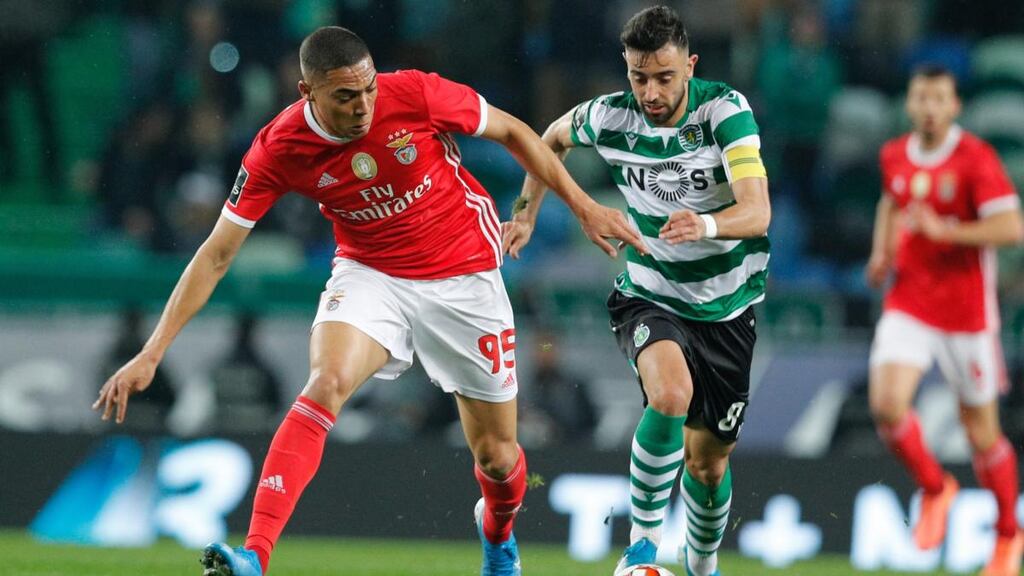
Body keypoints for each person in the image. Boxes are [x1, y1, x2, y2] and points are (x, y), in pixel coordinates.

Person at [92, 26, 644, 576]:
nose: (363, 106)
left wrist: (579, 207)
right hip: (370, 272)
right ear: (307, 92)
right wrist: (153, 350)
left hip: (464, 274)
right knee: (325, 383)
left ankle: (498, 535)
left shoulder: (413, 93)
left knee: (498, 459)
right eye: (345, 96)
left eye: (368, 90)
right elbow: (215, 255)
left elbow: (514, 131)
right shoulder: (277, 148)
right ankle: (255, 556)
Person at [504, 6, 770, 575]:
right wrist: (525, 213)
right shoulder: (610, 116)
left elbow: (758, 210)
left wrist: (706, 224)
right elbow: (547, 139)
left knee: (708, 467)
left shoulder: (726, 111)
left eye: (664, 77)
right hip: (650, 291)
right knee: (669, 394)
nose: (650, 91)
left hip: (728, 307)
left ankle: (702, 563)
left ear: (690, 66)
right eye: (638, 77)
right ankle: (642, 549)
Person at [865, 65, 1024, 576]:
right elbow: (891, 201)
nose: (929, 107)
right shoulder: (894, 154)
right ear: (909, 104)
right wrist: (882, 253)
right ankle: (935, 489)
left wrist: (946, 231)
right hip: (910, 298)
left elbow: (1011, 227)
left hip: (966, 314)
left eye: (939, 99)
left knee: (982, 434)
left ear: (955, 106)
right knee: (887, 406)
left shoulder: (975, 158)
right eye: (920, 98)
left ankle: (1007, 534)